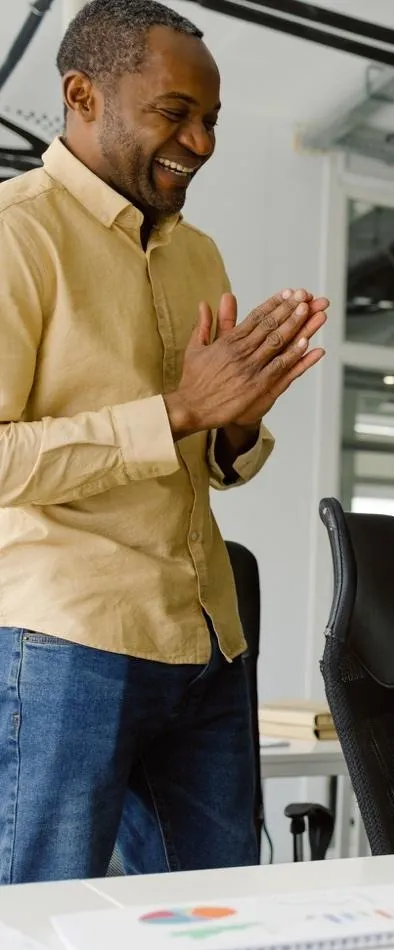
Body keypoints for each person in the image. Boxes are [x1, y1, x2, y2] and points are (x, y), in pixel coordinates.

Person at [0, 0, 328, 883]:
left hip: (206, 639)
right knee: (36, 914)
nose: (203, 142)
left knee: (221, 912)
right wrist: (178, 411)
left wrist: (238, 419)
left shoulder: (200, 255)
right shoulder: (14, 236)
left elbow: (211, 458)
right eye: (174, 113)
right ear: (81, 95)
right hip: (67, 642)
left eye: (211, 119)